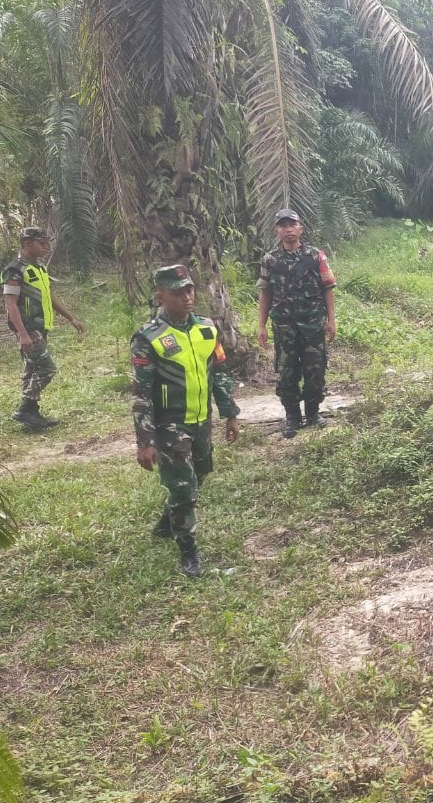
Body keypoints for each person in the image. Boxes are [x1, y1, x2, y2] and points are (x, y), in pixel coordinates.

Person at [130, 265, 240, 578]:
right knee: (182, 487)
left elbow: (219, 373)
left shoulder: (207, 328)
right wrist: (145, 441)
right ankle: (189, 552)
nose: (186, 297)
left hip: (201, 419)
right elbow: (142, 393)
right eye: (177, 292)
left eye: (189, 290)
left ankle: (167, 523)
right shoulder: (148, 338)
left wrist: (230, 413)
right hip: (169, 424)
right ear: (161, 295)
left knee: (201, 472)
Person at [256, 209, 336, 438]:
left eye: (292, 225)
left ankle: (313, 413)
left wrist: (332, 320)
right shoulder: (270, 260)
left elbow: (328, 288)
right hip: (284, 327)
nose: (288, 230)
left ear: (301, 228)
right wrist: (261, 325)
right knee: (286, 373)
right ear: (277, 231)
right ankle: (292, 417)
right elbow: (265, 293)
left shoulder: (316, 256)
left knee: (315, 370)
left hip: (312, 324)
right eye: (283, 226)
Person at [0, 226, 85, 430]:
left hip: (41, 327)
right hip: (29, 329)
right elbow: (10, 304)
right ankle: (25, 409)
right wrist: (22, 334)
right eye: (41, 243)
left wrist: (71, 318)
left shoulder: (39, 268)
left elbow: (50, 296)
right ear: (27, 244)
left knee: (32, 370)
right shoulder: (14, 271)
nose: (47, 247)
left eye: (47, 243)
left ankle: (32, 415)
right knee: (46, 369)